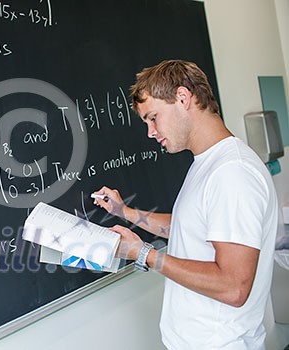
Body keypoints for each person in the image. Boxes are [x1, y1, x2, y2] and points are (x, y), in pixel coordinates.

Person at [93, 60, 278, 349]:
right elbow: (190, 227)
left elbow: (233, 286)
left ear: (183, 98)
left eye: (153, 118)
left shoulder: (233, 173)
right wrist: (124, 213)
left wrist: (144, 254)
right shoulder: (208, 164)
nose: (150, 132)